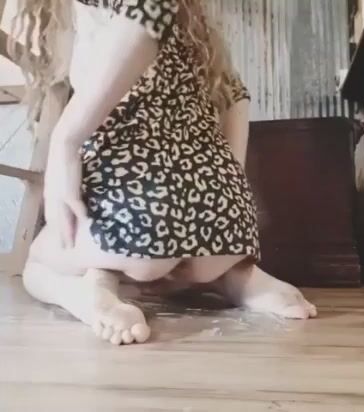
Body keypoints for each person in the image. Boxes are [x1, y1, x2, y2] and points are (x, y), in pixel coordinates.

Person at [10, 0, 316, 345]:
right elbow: (236, 96)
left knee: (37, 265)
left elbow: (143, 16)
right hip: (223, 226)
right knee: (169, 258)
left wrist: (65, 142)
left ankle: (90, 287)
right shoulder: (194, 28)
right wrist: (228, 191)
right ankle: (236, 277)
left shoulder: (101, 12)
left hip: (143, 221)